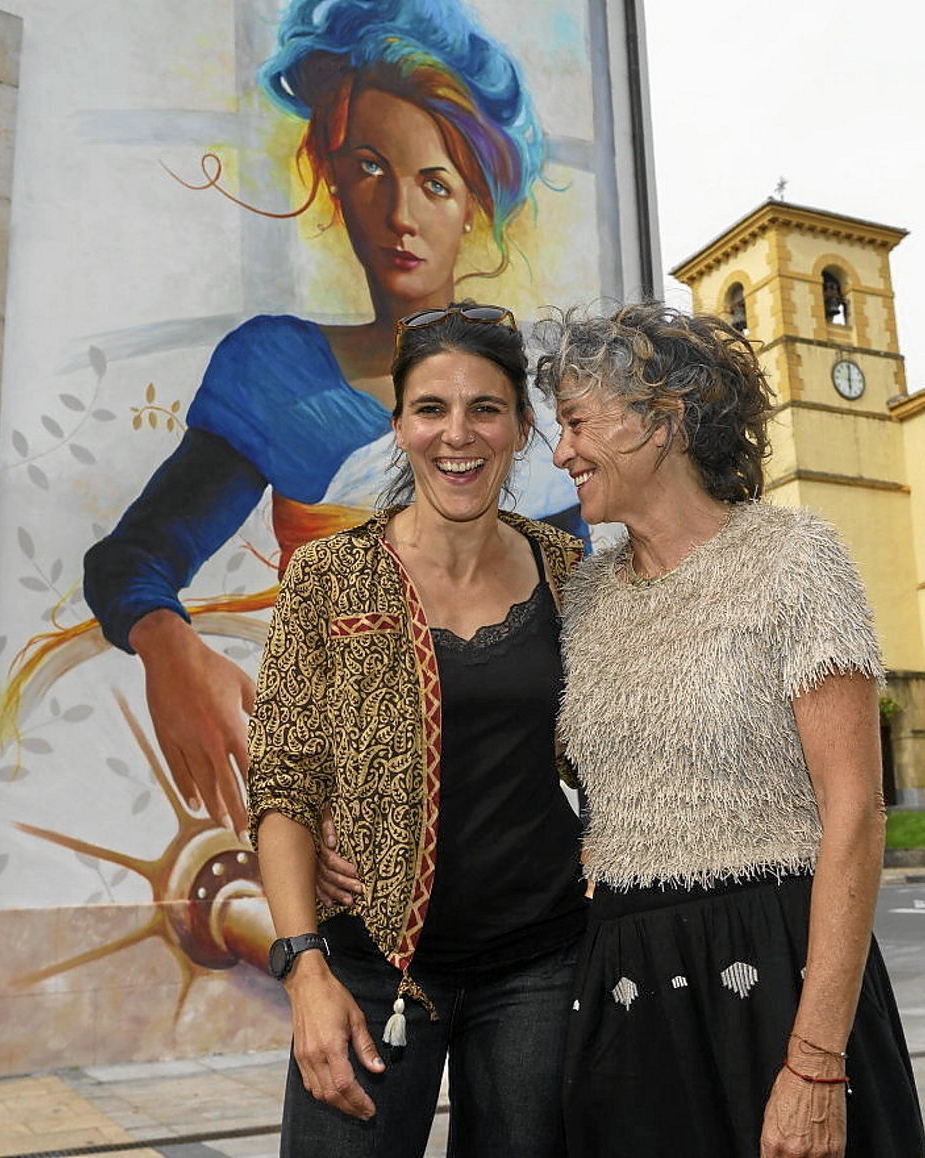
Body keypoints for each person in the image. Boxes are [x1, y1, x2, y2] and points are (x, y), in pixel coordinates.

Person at [76, 0, 580, 836]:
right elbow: (134, 558)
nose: (401, 215)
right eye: (370, 167)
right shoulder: (277, 373)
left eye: (435, 183)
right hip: (344, 810)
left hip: (518, 820)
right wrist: (170, 649)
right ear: (331, 176)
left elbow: (591, 632)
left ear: (474, 205)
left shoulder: (541, 400)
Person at [533, 302, 925, 1157]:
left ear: (663, 420)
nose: (561, 452)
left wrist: (816, 1059)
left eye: (575, 422)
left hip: (779, 967)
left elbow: (855, 812)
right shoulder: (586, 597)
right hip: (627, 985)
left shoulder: (794, 558)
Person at [247, 303, 587, 1157]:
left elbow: (614, 750)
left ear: (522, 427)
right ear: (398, 426)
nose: (457, 434)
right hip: (366, 966)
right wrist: (304, 968)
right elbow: (284, 780)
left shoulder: (572, 573)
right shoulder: (329, 574)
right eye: (431, 408)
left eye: (486, 408)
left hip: (540, 970)